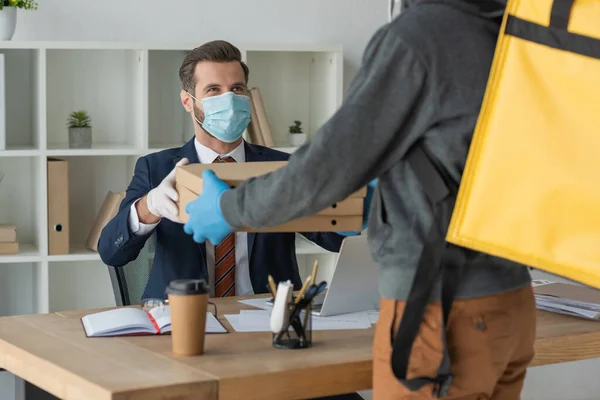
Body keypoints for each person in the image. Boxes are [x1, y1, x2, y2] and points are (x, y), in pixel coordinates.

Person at [182, 1, 535, 399]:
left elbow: (328, 166)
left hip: (439, 311)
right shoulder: (512, 26)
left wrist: (230, 208)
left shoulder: (421, 36)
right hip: (511, 299)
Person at [97, 40, 345, 301]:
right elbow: (112, 253)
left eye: (237, 88)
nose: (228, 99)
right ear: (187, 101)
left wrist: (344, 199)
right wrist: (149, 207)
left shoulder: (282, 168)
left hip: (268, 317)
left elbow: (336, 239)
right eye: (213, 90)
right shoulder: (155, 168)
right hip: (183, 316)